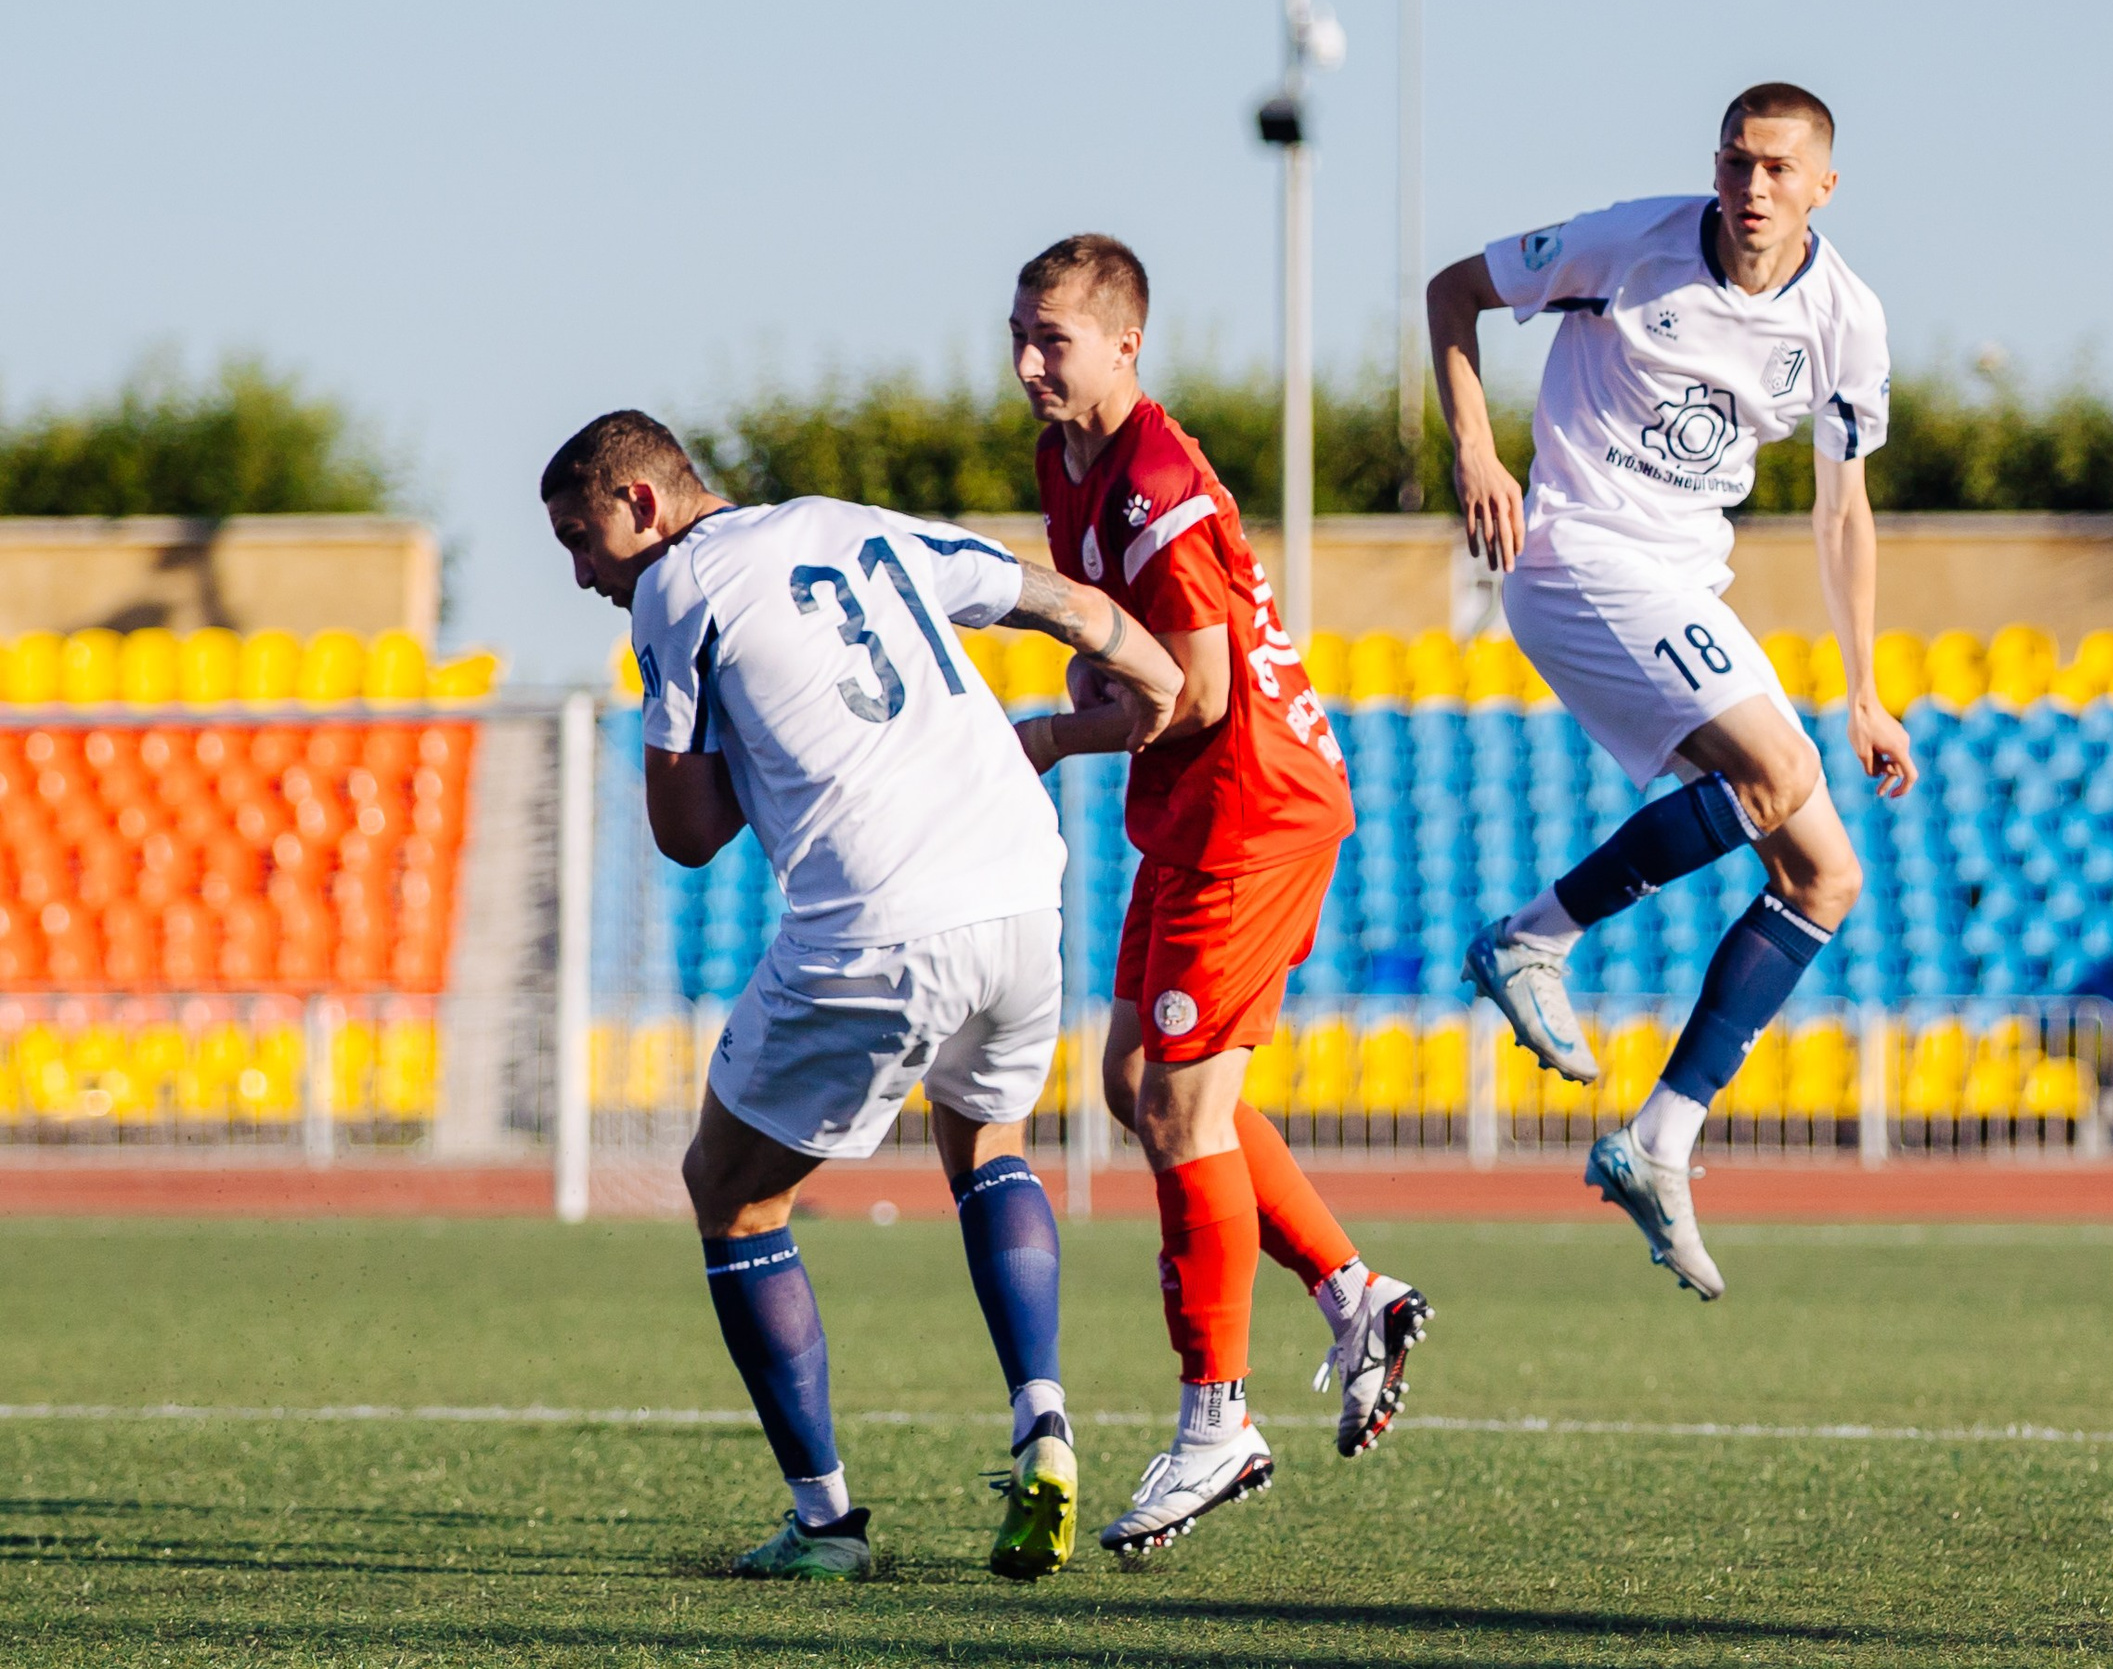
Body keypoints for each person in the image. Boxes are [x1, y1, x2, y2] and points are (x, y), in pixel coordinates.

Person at [541, 409, 1182, 1582]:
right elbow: (1062, 605)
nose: (584, 574)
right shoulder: (852, 524)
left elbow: (686, 835)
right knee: (988, 1144)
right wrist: (1154, 682)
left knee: (731, 1196)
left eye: (582, 539)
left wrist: (733, 740)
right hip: (1020, 891)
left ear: (640, 501)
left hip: (879, 923)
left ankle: (826, 1524)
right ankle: (1043, 1419)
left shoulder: (674, 588)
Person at [1428, 83, 1918, 1301]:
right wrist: (1476, 449)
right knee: (1778, 773)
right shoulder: (1627, 244)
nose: (1751, 186)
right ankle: (1532, 938)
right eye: (1736, 161)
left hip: (1688, 584)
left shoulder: (1846, 322)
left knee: (1825, 875)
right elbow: (1452, 291)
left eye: (1778, 168)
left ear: (1823, 187)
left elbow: (1842, 511)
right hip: (1575, 557)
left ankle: (1658, 1140)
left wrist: (1864, 689)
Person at [1006, 234, 1433, 1556]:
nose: (1028, 364)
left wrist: (1047, 734)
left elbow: (1190, 693)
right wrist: (1085, 672)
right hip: (1197, 809)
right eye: (1019, 336)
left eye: (1054, 341)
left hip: (1251, 806)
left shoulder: (1157, 482)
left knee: (1183, 1106)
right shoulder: (1065, 462)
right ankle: (1356, 1293)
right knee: (1138, 1081)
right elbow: (1125, 649)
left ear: (1125, 345)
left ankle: (1218, 1420)